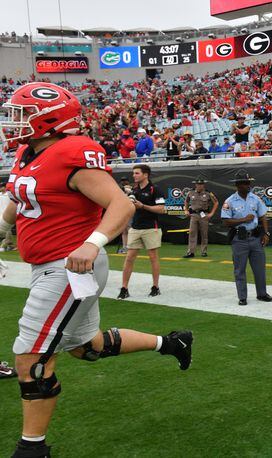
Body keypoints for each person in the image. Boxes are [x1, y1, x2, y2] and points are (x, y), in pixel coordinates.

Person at [0, 82, 192, 457]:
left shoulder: (71, 151)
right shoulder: (26, 153)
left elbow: (120, 205)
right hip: (48, 265)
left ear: (50, 118)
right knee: (87, 348)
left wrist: (93, 242)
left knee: (30, 356)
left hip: (69, 265)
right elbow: (17, 203)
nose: (15, 121)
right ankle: (172, 342)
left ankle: (32, 450)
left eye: (23, 113)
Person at [221, 170, 272, 306]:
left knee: (260, 269)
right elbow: (225, 222)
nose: (248, 185)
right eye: (245, 183)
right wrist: (243, 219)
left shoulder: (256, 198)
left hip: (255, 238)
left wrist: (266, 233)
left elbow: (263, 216)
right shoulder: (229, 201)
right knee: (240, 270)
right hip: (239, 239)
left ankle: (262, 294)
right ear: (238, 185)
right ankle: (242, 297)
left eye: (248, 182)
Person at [117, 165, 165, 300]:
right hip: (135, 228)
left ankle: (155, 287)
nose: (134, 176)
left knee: (153, 257)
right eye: (133, 173)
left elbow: (161, 209)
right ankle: (124, 288)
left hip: (151, 228)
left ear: (146, 175)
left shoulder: (155, 190)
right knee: (129, 258)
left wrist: (142, 206)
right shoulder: (134, 190)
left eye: (137, 173)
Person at [183, 176, 219, 258]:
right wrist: (186, 210)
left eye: (201, 184)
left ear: (204, 185)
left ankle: (204, 251)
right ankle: (191, 252)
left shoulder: (208, 193)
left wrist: (212, 213)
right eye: (198, 184)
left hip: (204, 215)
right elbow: (186, 201)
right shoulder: (190, 192)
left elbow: (216, 203)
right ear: (195, 184)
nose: (200, 186)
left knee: (204, 233)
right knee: (192, 233)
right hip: (194, 215)